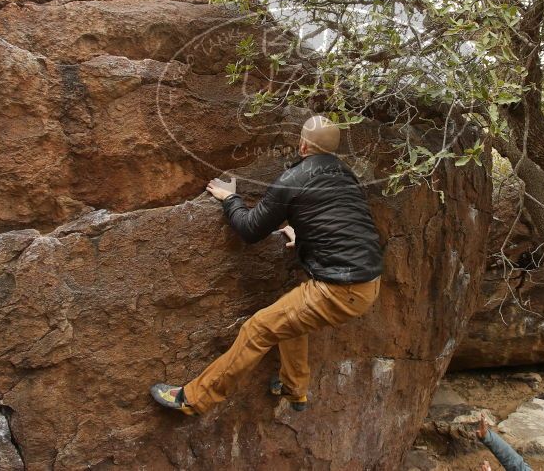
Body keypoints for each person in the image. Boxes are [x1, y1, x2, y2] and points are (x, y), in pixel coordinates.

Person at [150, 115, 383, 416]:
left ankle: (192, 399)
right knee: (291, 320)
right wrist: (302, 235)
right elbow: (343, 223)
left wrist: (230, 198)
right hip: (366, 283)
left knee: (258, 329)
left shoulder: (293, 179)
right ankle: (294, 389)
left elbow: (250, 230)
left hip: (339, 289)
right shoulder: (344, 174)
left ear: (302, 145)